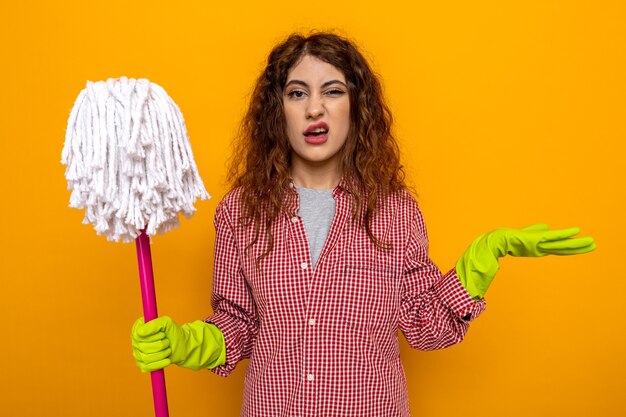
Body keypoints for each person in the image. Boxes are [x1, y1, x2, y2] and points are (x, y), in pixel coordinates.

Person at [131, 32, 595, 416]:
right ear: (279, 112)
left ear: (356, 107)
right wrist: (186, 342)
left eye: (332, 91)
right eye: (297, 93)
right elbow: (238, 325)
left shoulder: (394, 210)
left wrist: (483, 257)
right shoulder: (241, 211)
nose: (315, 108)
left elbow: (424, 325)